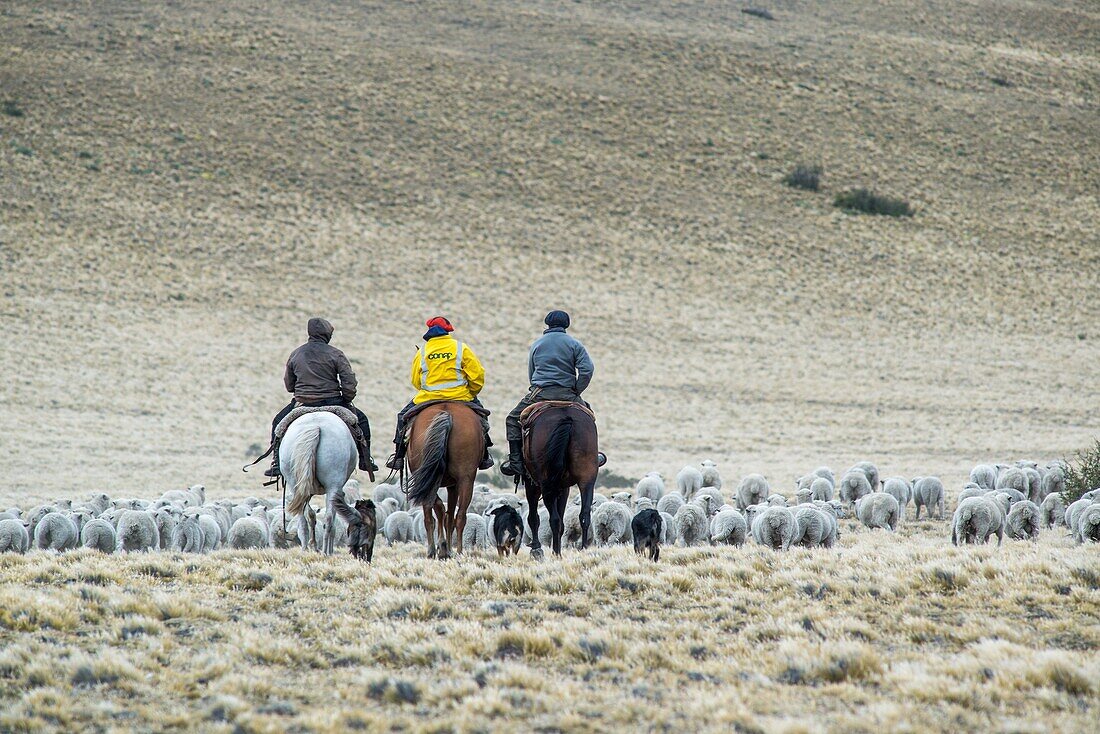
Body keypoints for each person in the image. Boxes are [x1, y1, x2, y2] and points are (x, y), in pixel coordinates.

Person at [265, 318, 377, 478]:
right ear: (327, 335)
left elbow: (289, 385)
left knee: (278, 423)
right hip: (333, 402)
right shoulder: (336, 354)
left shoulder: (296, 354)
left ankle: (276, 462)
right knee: (362, 421)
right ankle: (365, 461)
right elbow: (349, 382)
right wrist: (346, 398)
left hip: (303, 403)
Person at [385, 316, 495, 471]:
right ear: (447, 332)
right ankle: (485, 455)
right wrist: (471, 392)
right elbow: (477, 376)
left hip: (428, 398)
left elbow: (416, 381)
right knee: (482, 418)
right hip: (460, 396)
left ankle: (398, 456)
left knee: (402, 418)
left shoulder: (422, 351)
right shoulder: (461, 348)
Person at [501, 310, 594, 477]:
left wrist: (538, 386)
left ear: (547, 323)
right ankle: (592, 456)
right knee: (589, 417)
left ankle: (515, 462)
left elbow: (532, 372)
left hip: (541, 393)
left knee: (513, 419)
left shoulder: (537, 344)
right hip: (568, 394)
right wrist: (576, 389)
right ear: (566, 324)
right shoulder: (575, 344)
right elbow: (587, 370)